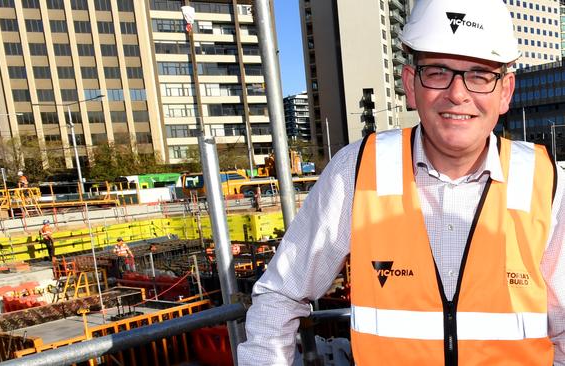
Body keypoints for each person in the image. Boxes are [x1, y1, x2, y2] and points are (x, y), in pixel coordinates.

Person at [238, 0, 565, 365]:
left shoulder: (545, 181)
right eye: (438, 72)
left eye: (479, 74)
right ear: (410, 84)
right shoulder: (357, 171)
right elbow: (280, 296)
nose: (458, 94)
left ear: (505, 91)